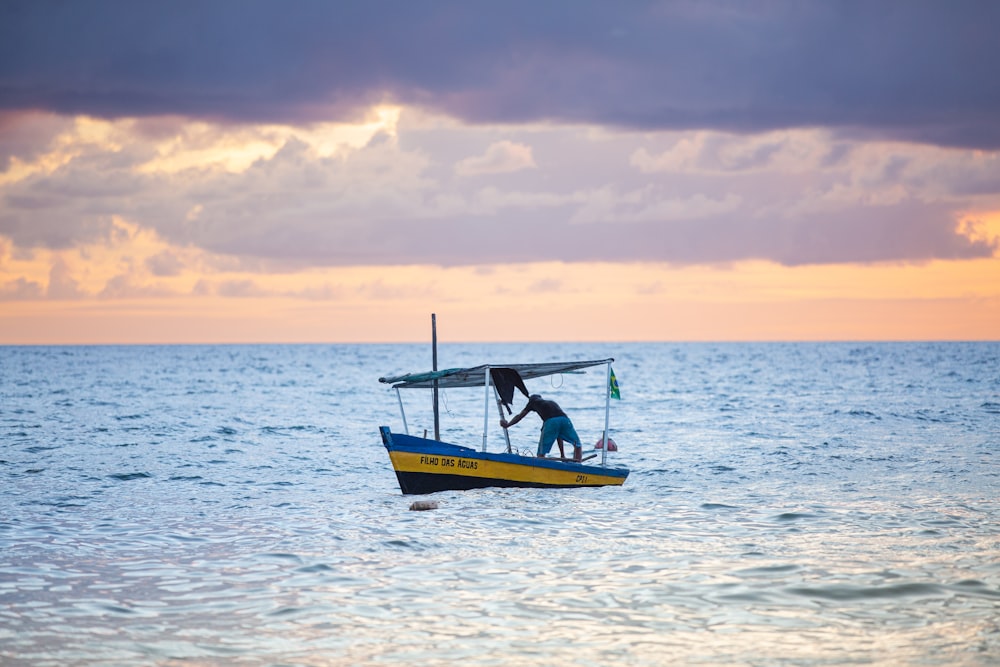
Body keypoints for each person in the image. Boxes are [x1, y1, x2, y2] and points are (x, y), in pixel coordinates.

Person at [500, 394, 583, 461]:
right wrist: (562, 455)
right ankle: (578, 464)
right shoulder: (551, 403)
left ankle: (541, 463)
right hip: (565, 420)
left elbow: (520, 416)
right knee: (577, 445)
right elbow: (558, 434)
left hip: (551, 422)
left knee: (541, 454)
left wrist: (508, 425)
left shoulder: (532, 402)